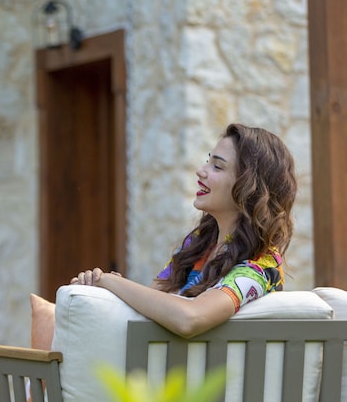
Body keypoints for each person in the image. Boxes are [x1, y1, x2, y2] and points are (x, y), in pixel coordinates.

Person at [72, 122, 296, 338]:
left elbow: (190, 318)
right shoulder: (199, 243)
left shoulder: (261, 266)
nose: (200, 171)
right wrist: (105, 287)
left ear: (250, 186)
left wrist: (112, 282)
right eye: (208, 161)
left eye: (217, 166)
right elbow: (151, 298)